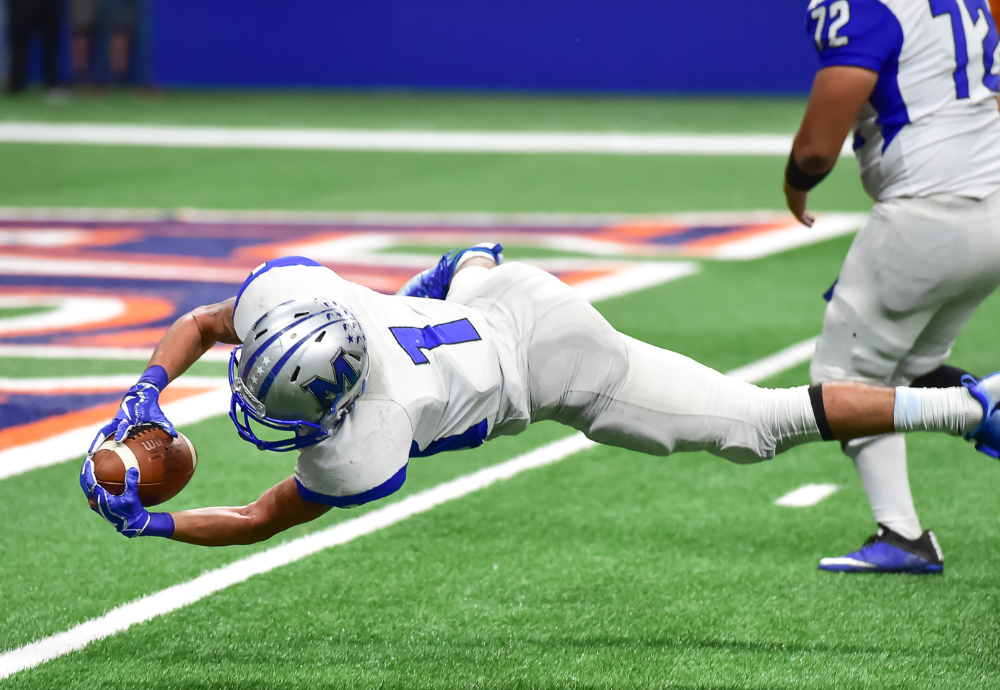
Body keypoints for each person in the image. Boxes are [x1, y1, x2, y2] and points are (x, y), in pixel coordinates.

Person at [80, 247, 1000, 558]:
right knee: (450, 283)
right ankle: (464, 261)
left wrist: (152, 529)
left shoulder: (367, 439)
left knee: (759, 426)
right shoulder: (301, 301)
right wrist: (144, 391)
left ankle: (972, 410)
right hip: (492, 297)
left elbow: (255, 513)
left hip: (558, 364)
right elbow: (204, 327)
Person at [785, 0, 1000, 573]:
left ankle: (903, 534)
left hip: (929, 213)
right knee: (906, 370)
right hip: (992, 205)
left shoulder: (863, 5)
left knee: (841, 380)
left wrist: (797, 179)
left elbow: (816, 145)